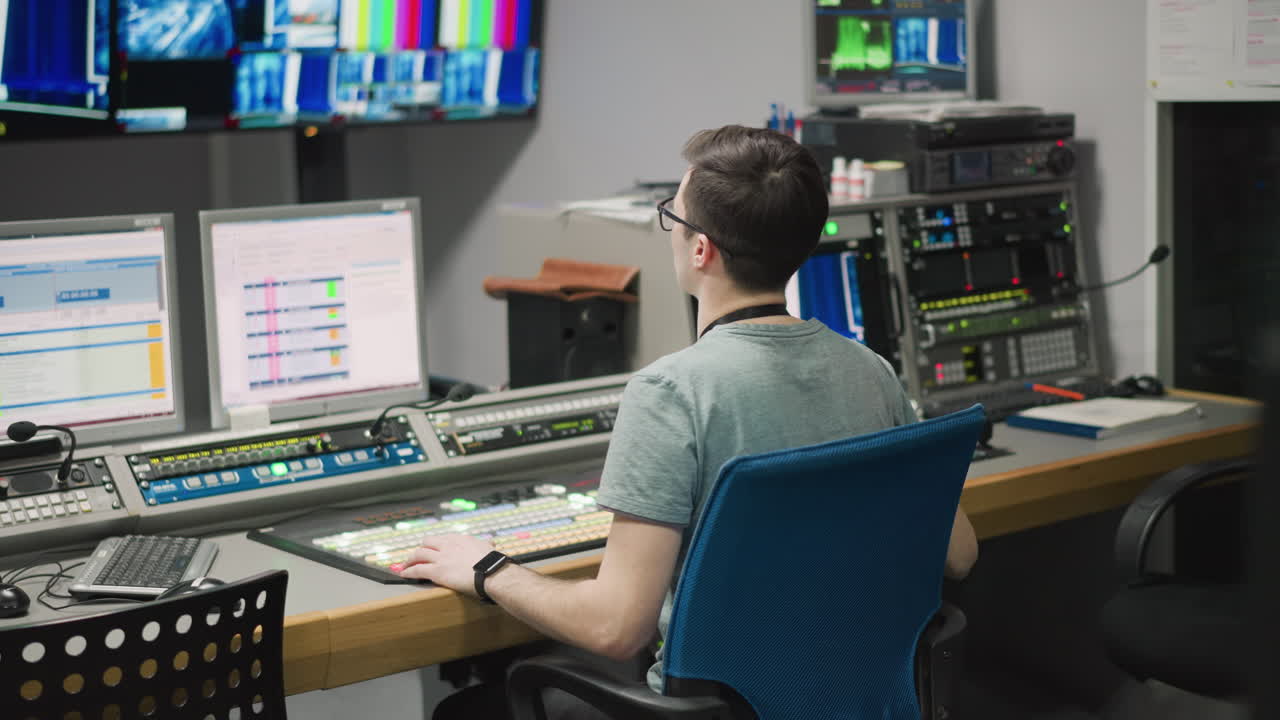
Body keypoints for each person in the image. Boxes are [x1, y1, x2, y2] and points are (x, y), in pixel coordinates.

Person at [402, 125, 979, 718]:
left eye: (671, 218)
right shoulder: (873, 373)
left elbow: (616, 629)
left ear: (700, 249)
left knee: (467, 712)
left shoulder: (669, 393)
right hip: (852, 703)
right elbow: (959, 554)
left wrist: (489, 570)